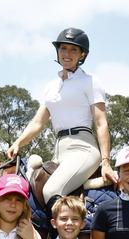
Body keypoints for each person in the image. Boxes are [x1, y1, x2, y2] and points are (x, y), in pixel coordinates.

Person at [7, 27, 116, 208]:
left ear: (82, 55)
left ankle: (72, 233)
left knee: (51, 191)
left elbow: (101, 123)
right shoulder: (51, 86)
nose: (67, 53)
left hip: (83, 149)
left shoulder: (90, 82)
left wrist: (106, 162)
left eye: (74, 49)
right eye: (63, 48)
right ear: (57, 51)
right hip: (59, 152)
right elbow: (38, 122)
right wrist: (18, 142)